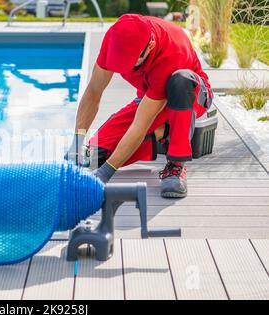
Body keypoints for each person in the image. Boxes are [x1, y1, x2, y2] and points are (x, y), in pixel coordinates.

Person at [65, 14, 213, 198]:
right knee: (94, 157)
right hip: (149, 98)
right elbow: (94, 92)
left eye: (130, 61)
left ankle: (176, 165)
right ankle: (164, 133)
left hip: (191, 95)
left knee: (180, 80)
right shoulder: (115, 39)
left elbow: (139, 125)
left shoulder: (171, 53)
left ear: (149, 47)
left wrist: (104, 175)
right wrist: (77, 142)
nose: (125, 67)